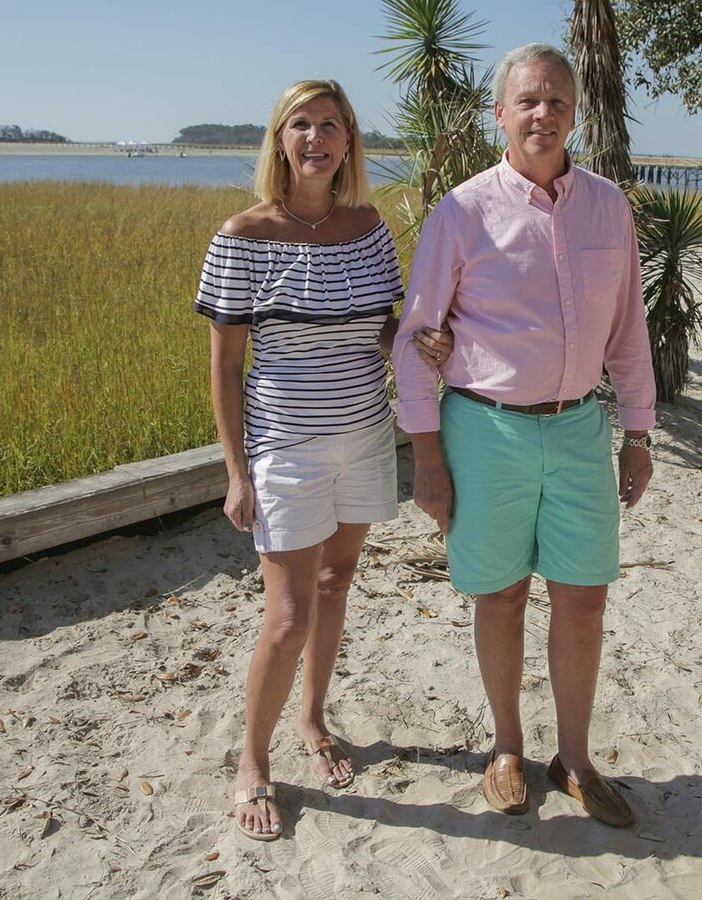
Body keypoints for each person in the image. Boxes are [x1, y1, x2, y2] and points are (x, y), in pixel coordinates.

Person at [393, 43, 655, 829]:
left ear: (576, 114)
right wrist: (427, 459)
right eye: (529, 101)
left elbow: (629, 331)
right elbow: (416, 339)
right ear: (500, 114)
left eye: (558, 101)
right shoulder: (462, 211)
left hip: (579, 429)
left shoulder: (608, 207)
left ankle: (574, 760)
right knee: (501, 595)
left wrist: (638, 434)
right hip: (486, 430)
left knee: (584, 600)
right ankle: (506, 748)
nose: (544, 114)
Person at [194, 79, 449, 841]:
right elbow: (225, 366)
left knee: (336, 585)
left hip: (365, 436)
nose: (316, 138)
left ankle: (312, 718)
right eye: (301, 124)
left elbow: (383, 328)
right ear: (280, 138)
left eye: (330, 125)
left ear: (348, 142)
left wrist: (421, 342)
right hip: (285, 447)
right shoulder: (241, 234)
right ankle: (252, 759)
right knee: (288, 617)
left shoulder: (368, 226)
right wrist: (236, 471)